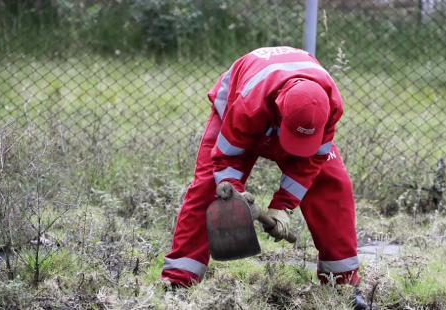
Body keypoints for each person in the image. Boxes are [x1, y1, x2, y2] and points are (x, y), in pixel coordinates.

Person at [160, 46, 374, 309]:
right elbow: (226, 158)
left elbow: (312, 162)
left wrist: (283, 206)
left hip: (289, 111)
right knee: (208, 187)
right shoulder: (248, 106)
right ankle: (178, 282)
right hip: (237, 106)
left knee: (332, 183)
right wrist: (234, 194)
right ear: (279, 114)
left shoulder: (330, 106)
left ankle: (343, 287)